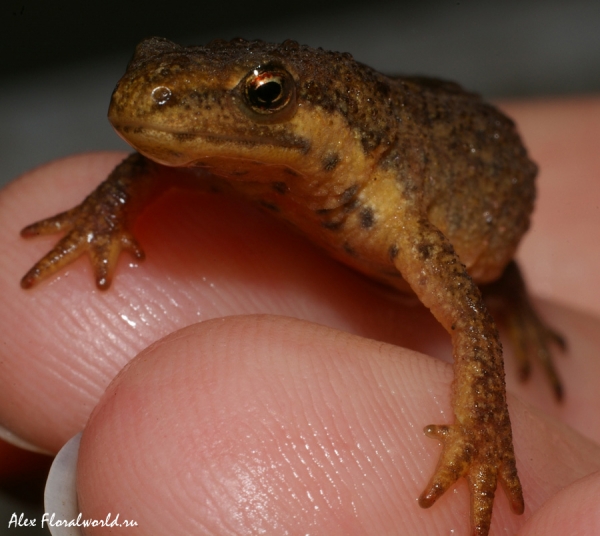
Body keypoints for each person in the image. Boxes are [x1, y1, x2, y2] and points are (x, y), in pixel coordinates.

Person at [0, 98, 599, 535]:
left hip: (459, 202)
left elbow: (469, 319)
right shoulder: (237, 160)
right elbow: (154, 164)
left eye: (263, 97)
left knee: (485, 288)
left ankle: (516, 298)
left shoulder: (394, 209)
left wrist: (484, 435)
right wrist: (104, 216)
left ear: (338, 125)